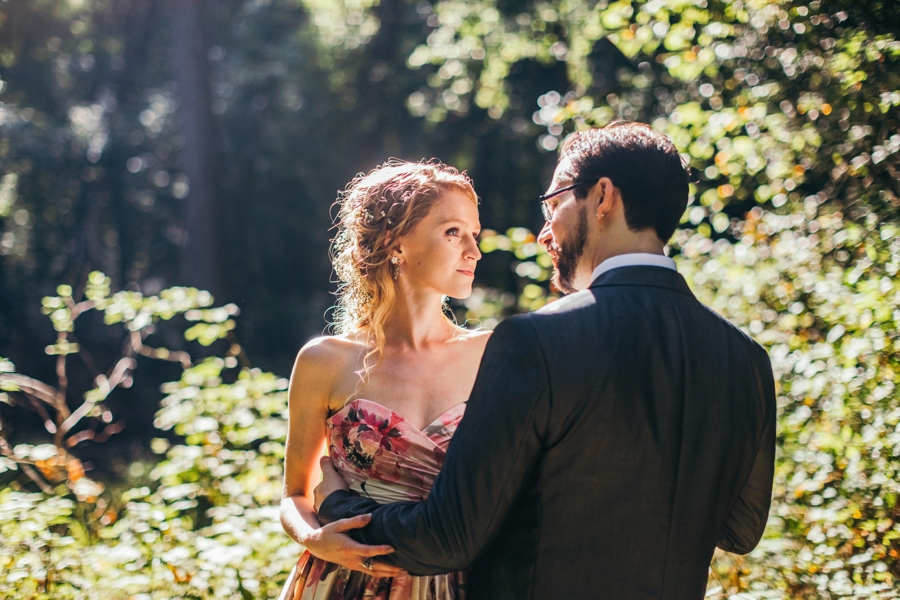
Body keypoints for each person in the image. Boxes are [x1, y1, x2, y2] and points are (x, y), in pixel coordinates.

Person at [313, 122, 777, 600]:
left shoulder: (535, 342)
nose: (544, 233)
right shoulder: (746, 360)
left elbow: (446, 539)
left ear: (602, 198)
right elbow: (740, 530)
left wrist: (336, 504)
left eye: (553, 205)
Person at [278, 160, 491, 600]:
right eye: (453, 232)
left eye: (475, 234)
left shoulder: (493, 354)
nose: (474, 250)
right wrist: (314, 539)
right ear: (396, 243)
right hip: (345, 581)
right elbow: (294, 495)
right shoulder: (325, 362)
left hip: (461, 583)